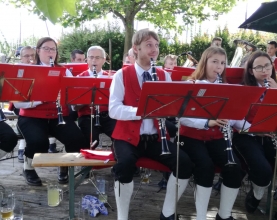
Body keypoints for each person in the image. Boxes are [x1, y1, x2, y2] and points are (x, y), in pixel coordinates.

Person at [109, 28, 193, 220]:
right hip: (128, 137)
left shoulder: (165, 75)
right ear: (135, 49)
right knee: (125, 165)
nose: (154, 49)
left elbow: (171, 108)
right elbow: (114, 109)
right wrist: (141, 112)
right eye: (148, 45)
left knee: (185, 164)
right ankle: (122, 217)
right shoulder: (121, 75)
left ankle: (168, 213)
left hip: (157, 137)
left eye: (156, 45)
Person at [179, 46, 245, 220]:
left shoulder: (228, 88)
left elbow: (237, 117)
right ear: (204, 62)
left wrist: (253, 127)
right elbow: (181, 118)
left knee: (234, 167)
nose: (219, 67)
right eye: (214, 62)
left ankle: (224, 215)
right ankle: (200, 216)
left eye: (222, 63)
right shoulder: (191, 85)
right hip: (190, 137)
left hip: (216, 137)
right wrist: (208, 122)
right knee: (205, 166)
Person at [14, 37, 87, 186]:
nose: (50, 52)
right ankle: (28, 168)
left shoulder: (65, 71)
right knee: (38, 142)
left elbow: (72, 95)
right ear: (38, 51)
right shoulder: (29, 70)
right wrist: (42, 98)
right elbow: (18, 103)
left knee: (77, 139)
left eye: (53, 49)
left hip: (57, 116)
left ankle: (65, 166)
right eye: (46, 48)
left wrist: (77, 102)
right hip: (31, 117)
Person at [232, 51, 277, 214]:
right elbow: (234, 119)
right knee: (263, 170)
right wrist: (254, 130)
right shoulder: (243, 89)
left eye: (267, 65)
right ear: (251, 71)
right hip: (246, 135)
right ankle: (256, 196)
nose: (265, 70)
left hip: (269, 135)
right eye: (259, 67)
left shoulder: (275, 86)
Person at [75, 46, 116, 149]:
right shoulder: (79, 78)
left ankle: (116, 159)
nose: (94, 60)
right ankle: (88, 163)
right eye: (91, 57)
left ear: (104, 60)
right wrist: (88, 98)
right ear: (87, 60)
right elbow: (74, 107)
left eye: (97, 57)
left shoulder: (111, 78)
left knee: (120, 137)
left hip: (107, 116)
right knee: (91, 141)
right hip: (87, 117)